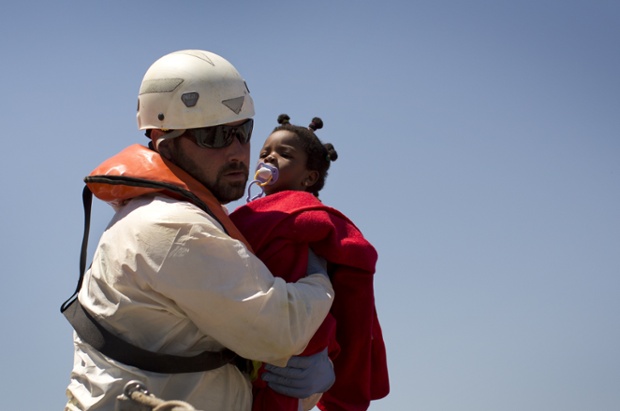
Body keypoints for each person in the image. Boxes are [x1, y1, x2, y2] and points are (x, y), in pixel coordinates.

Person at [62, 50, 336, 411]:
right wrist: (321, 279)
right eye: (215, 135)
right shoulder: (172, 226)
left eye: (243, 130)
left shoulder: (166, 216)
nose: (238, 150)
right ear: (164, 138)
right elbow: (279, 330)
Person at [230, 115, 390, 411]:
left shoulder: (306, 213)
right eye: (265, 152)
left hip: (297, 342)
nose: (269, 157)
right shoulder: (249, 212)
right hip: (256, 330)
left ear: (309, 178)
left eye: (284, 154)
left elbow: (356, 257)